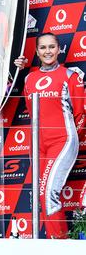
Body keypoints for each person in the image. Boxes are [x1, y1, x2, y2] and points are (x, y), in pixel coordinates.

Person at [14, 33, 85, 239]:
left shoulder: (70, 75)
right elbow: (32, 111)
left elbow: (80, 113)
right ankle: (54, 241)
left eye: (51, 47)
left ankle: (59, 244)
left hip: (62, 141)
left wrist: (70, 139)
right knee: (40, 194)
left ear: (59, 49)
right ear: (36, 51)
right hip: (37, 144)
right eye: (43, 47)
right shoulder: (30, 78)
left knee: (48, 193)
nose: (47, 51)